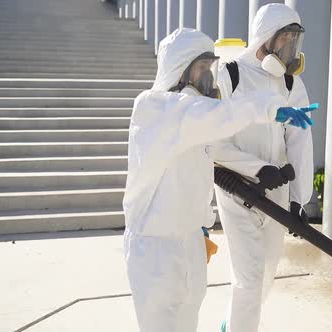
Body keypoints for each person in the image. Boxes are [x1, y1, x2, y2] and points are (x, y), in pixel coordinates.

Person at [122, 28, 315, 332]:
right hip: (155, 251)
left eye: (210, 69)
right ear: (179, 71)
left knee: (188, 324)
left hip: (188, 243)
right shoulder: (154, 108)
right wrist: (269, 108)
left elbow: (195, 174)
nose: (208, 80)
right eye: (201, 70)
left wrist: (202, 223)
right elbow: (219, 115)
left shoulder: (194, 119)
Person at [209, 4, 314, 332]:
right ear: (265, 40)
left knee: (265, 277)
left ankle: (230, 325)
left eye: (294, 41)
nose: (290, 49)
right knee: (249, 279)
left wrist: (300, 198)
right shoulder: (229, 74)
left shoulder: (289, 83)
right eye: (285, 40)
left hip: (278, 189)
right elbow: (212, 142)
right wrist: (256, 168)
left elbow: (300, 141)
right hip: (235, 188)